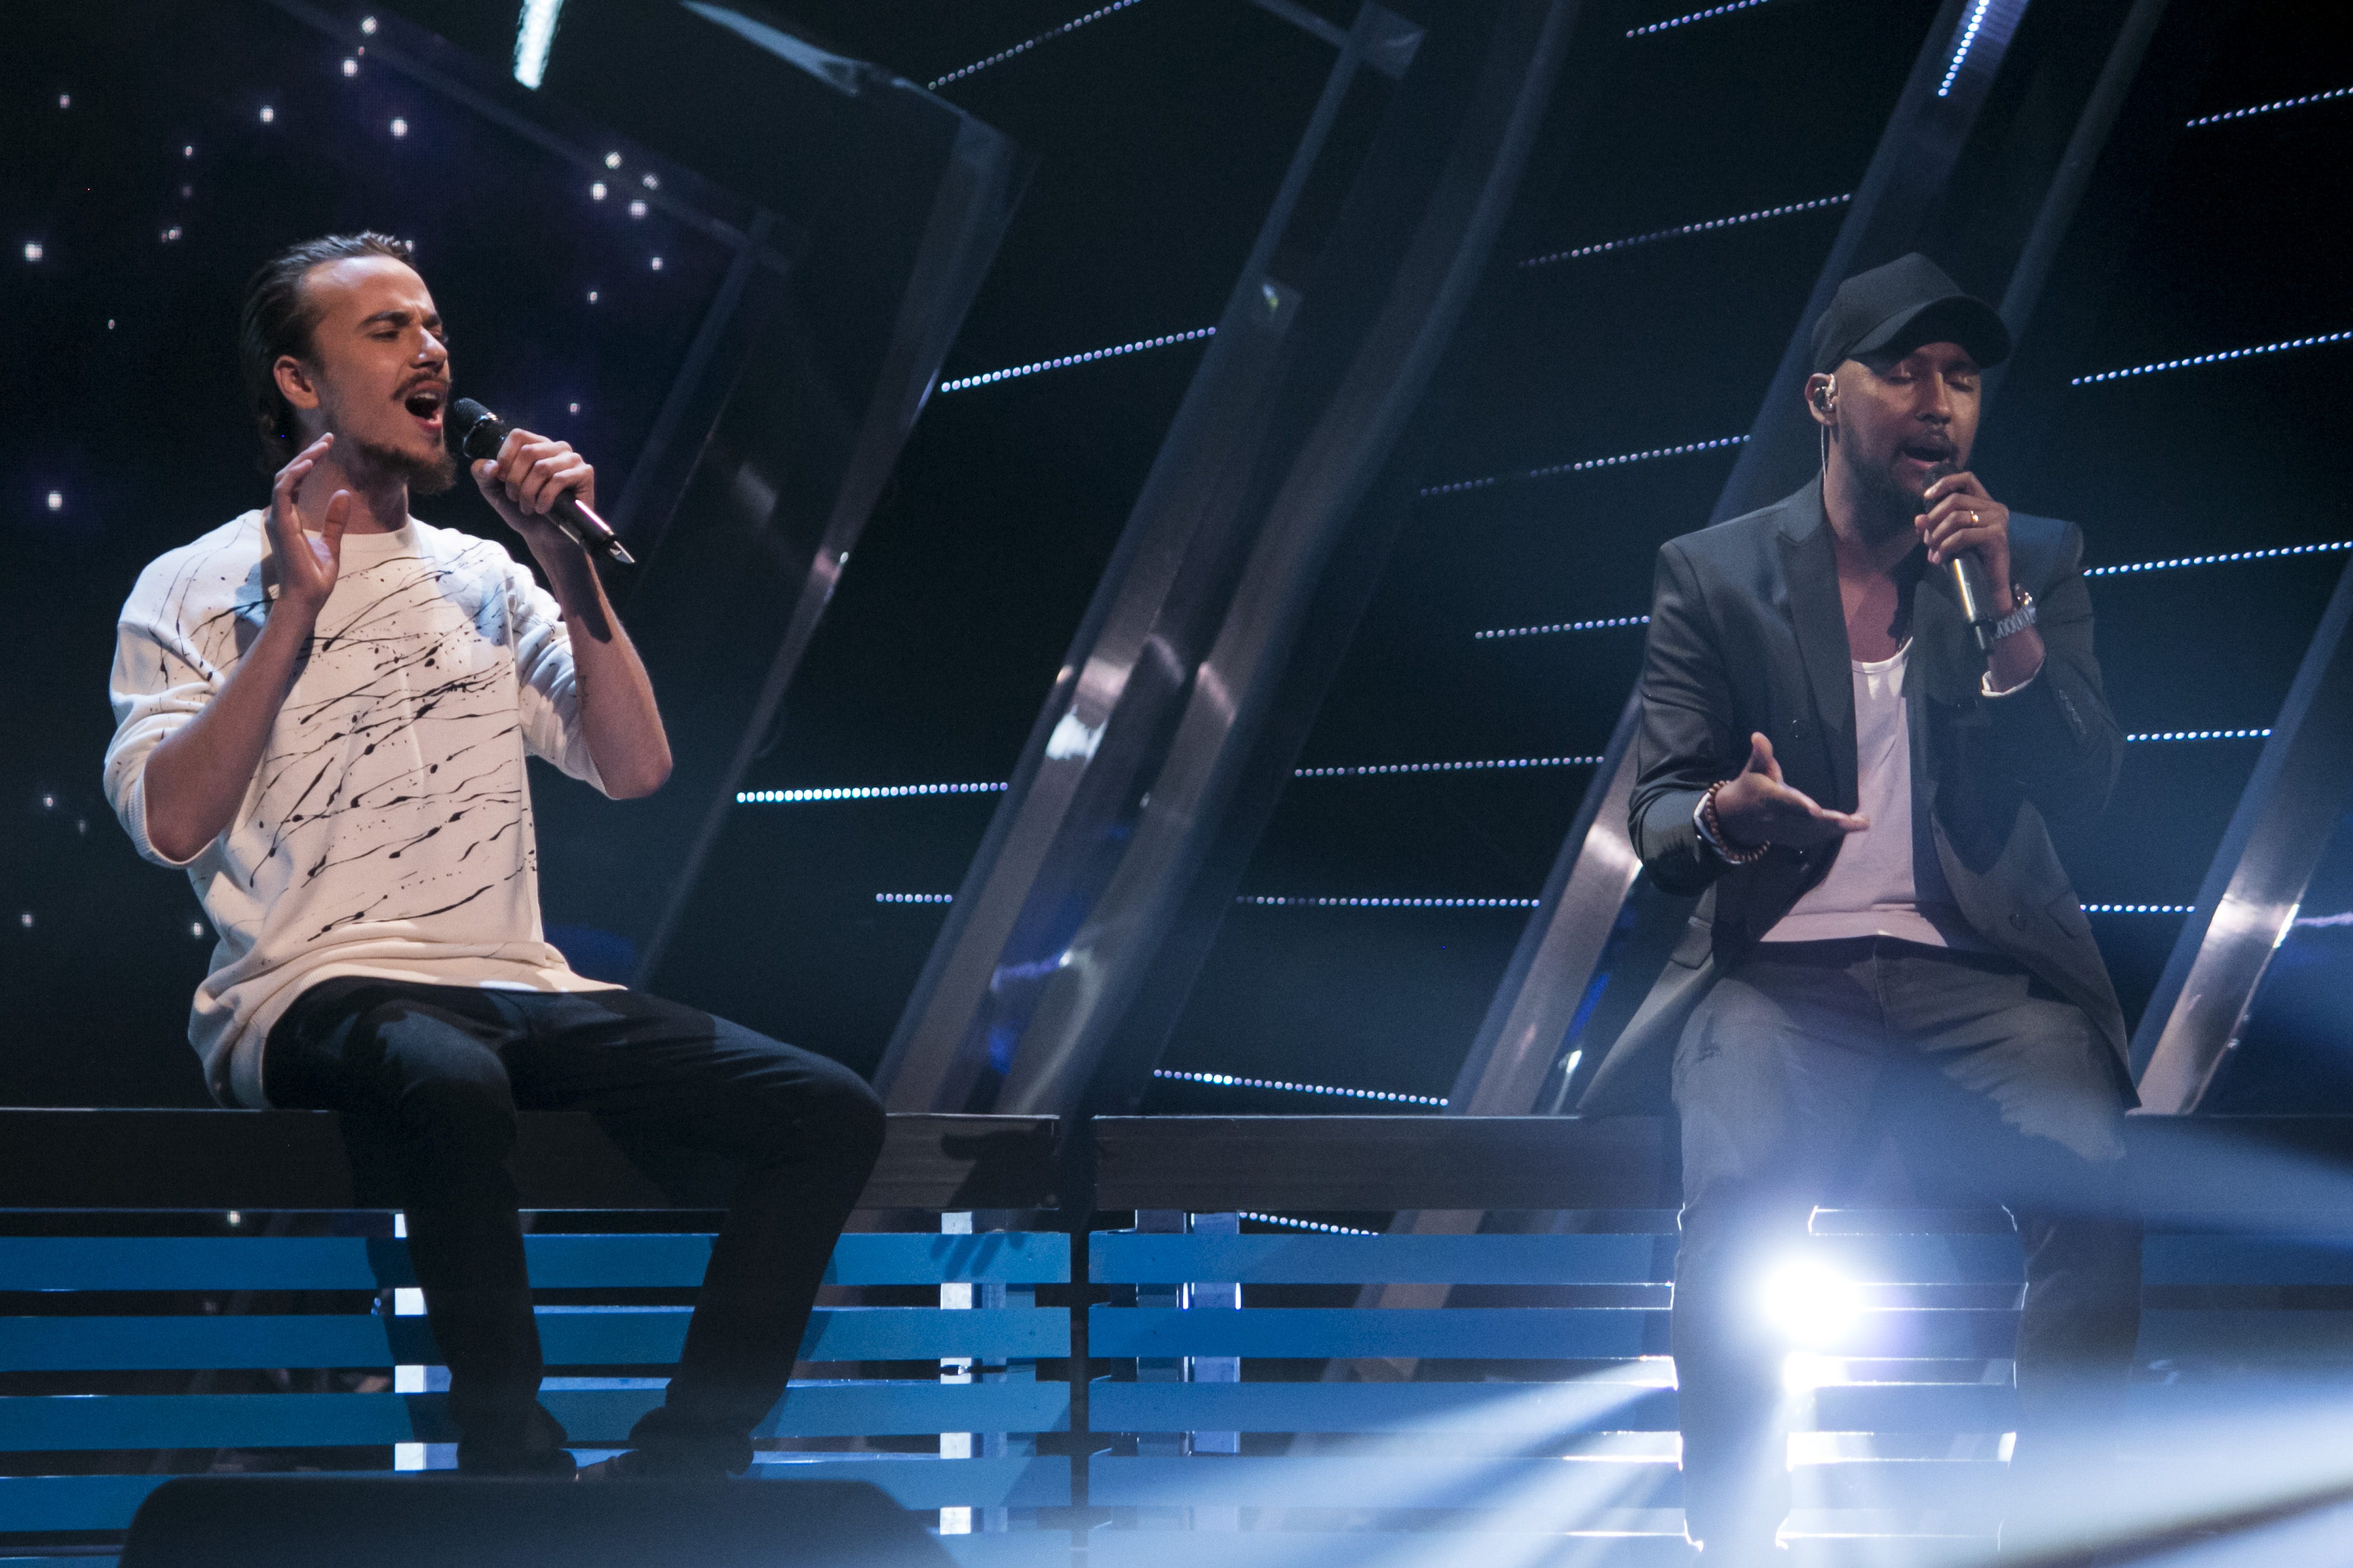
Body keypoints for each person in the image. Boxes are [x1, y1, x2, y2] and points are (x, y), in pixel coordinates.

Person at [103, 232, 886, 1479]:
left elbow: (634, 766)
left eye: (433, 325)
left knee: (829, 1110)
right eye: (388, 330)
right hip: (311, 989)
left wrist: (569, 567)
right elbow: (169, 822)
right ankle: (510, 1458)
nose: (432, 349)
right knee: (450, 1081)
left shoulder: (487, 574)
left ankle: (690, 1457)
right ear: (300, 382)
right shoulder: (195, 582)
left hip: (514, 982)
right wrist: (295, 612)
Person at [1578, 254, 2142, 1562]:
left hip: (1982, 976)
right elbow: (1658, 813)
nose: (1938, 401)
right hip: (1783, 974)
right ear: (1825, 396)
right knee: (1736, 1212)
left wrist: (2002, 613)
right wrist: (1731, 814)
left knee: (2097, 1179)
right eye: (1902, 370)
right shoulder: (1712, 573)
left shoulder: (2032, 560)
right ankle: (1733, 1539)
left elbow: (2086, 789)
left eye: (1961, 378)